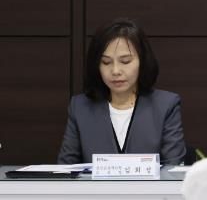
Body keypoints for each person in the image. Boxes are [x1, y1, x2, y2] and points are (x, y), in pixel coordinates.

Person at [58, 18, 186, 165]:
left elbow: (172, 168)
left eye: (125, 61)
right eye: (106, 62)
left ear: (142, 61)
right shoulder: (80, 107)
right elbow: (66, 168)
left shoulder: (165, 105)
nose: (115, 71)